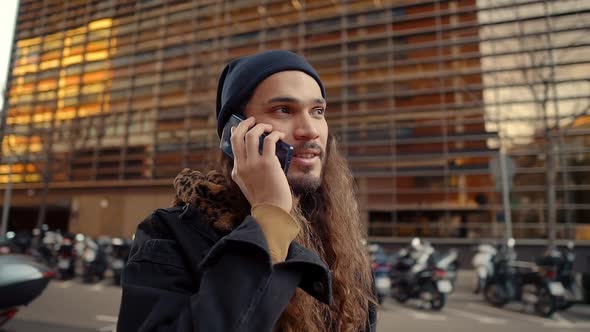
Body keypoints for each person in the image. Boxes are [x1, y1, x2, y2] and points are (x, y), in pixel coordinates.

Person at [117, 50, 377, 331]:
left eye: (318, 111)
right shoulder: (170, 233)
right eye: (284, 110)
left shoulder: (342, 242)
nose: (310, 130)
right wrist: (271, 216)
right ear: (235, 132)